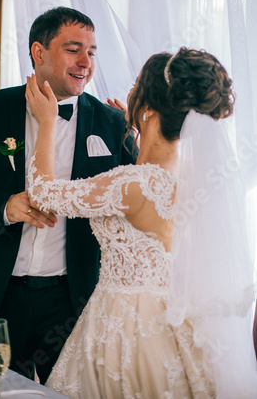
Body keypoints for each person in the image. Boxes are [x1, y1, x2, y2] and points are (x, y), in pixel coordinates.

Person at [26, 47, 257, 398]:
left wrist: (46, 121)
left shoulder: (132, 185)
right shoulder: (194, 179)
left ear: (148, 109)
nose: (130, 92)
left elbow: (43, 192)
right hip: (172, 318)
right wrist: (139, 139)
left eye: (136, 86)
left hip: (127, 326)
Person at [0, 6, 137, 383]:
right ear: (39, 52)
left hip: (73, 299)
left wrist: (137, 142)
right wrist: (5, 206)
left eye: (92, 52)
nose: (85, 62)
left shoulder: (112, 124)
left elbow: (134, 204)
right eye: (73, 49)